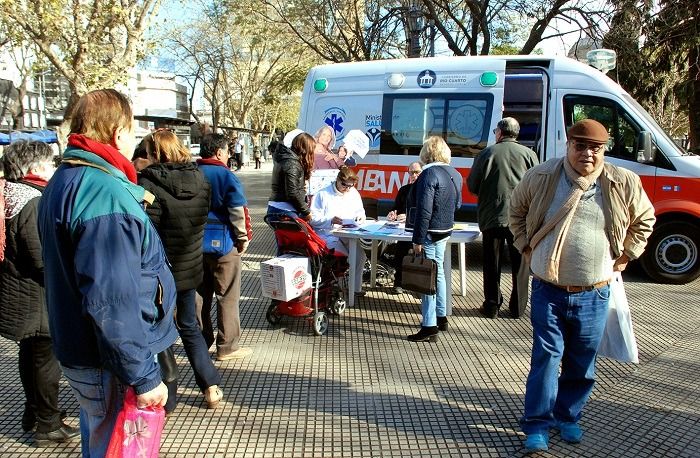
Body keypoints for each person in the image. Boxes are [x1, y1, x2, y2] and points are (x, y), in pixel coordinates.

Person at [37, 89, 178, 457]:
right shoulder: (103, 192)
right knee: (111, 446)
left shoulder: (65, 179)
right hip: (108, 360)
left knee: (99, 438)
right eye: (133, 132)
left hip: (85, 350)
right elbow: (112, 300)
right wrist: (144, 375)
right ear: (118, 133)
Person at [509, 119, 656, 452]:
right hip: (549, 289)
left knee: (582, 362)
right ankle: (537, 424)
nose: (588, 153)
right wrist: (525, 246)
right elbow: (515, 211)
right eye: (581, 146)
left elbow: (645, 219)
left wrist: (628, 254)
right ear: (568, 145)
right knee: (546, 357)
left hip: (595, 292)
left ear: (604, 150)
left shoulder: (622, 181)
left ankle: (568, 416)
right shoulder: (542, 176)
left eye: (596, 148)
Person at [137, 130, 224, 409]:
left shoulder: (148, 184)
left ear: (155, 153)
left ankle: (169, 397)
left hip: (160, 273)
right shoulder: (201, 179)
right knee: (189, 326)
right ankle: (210, 385)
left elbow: (149, 232)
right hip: (190, 266)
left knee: (159, 333)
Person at [0, 141, 79, 445]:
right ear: (34, 168)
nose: (53, 169)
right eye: (49, 163)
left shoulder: (10, 194)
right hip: (36, 298)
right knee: (46, 360)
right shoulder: (31, 202)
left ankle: (33, 410)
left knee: (31, 354)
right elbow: (41, 256)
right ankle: (48, 423)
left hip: (17, 294)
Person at [467, 117, 539, 319]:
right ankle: (517, 308)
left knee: (492, 262)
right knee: (520, 264)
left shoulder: (486, 153)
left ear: (499, 133)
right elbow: (537, 187)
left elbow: (473, 185)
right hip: (521, 220)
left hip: (492, 216)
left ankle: (491, 305)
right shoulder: (530, 155)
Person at [196, 133, 253, 361]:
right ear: (219, 152)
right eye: (228, 151)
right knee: (227, 296)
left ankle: (201, 343)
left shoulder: (191, 172)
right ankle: (227, 347)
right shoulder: (226, 175)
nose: (230, 155)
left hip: (195, 246)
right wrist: (243, 239)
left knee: (200, 296)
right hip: (224, 244)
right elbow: (237, 211)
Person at [405, 136, 462, 342]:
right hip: (445, 229)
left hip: (429, 232)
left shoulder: (428, 174)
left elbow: (424, 210)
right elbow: (458, 204)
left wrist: (417, 238)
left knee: (427, 277)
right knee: (438, 274)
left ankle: (429, 325)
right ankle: (441, 316)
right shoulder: (454, 173)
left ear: (426, 153)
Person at [310, 165, 367, 294]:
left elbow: (361, 211)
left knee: (359, 255)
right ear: (337, 179)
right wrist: (330, 220)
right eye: (344, 185)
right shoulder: (322, 194)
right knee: (343, 256)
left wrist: (359, 218)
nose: (346, 189)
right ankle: (339, 285)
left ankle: (355, 288)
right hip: (328, 234)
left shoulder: (353, 193)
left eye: (350, 186)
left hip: (349, 233)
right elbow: (312, 218)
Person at [386, 161, 423, 294]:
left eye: (417, 172)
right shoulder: (404, 190)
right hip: (403, 231)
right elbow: (395, 208)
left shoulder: (426, 190)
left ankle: (420, 285)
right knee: (400, 251)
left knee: (422, 254)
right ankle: (398, 282)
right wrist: (392, 214)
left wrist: (409, 217)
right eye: (411, 172)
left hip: (421, 231)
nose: (414, 175)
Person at [267, 129, 315, 221]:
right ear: (305, 148)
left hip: (280, 208)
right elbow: (292, 192)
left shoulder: (286, 159)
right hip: (285, 211)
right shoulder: (292, 163)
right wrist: (306, 211)